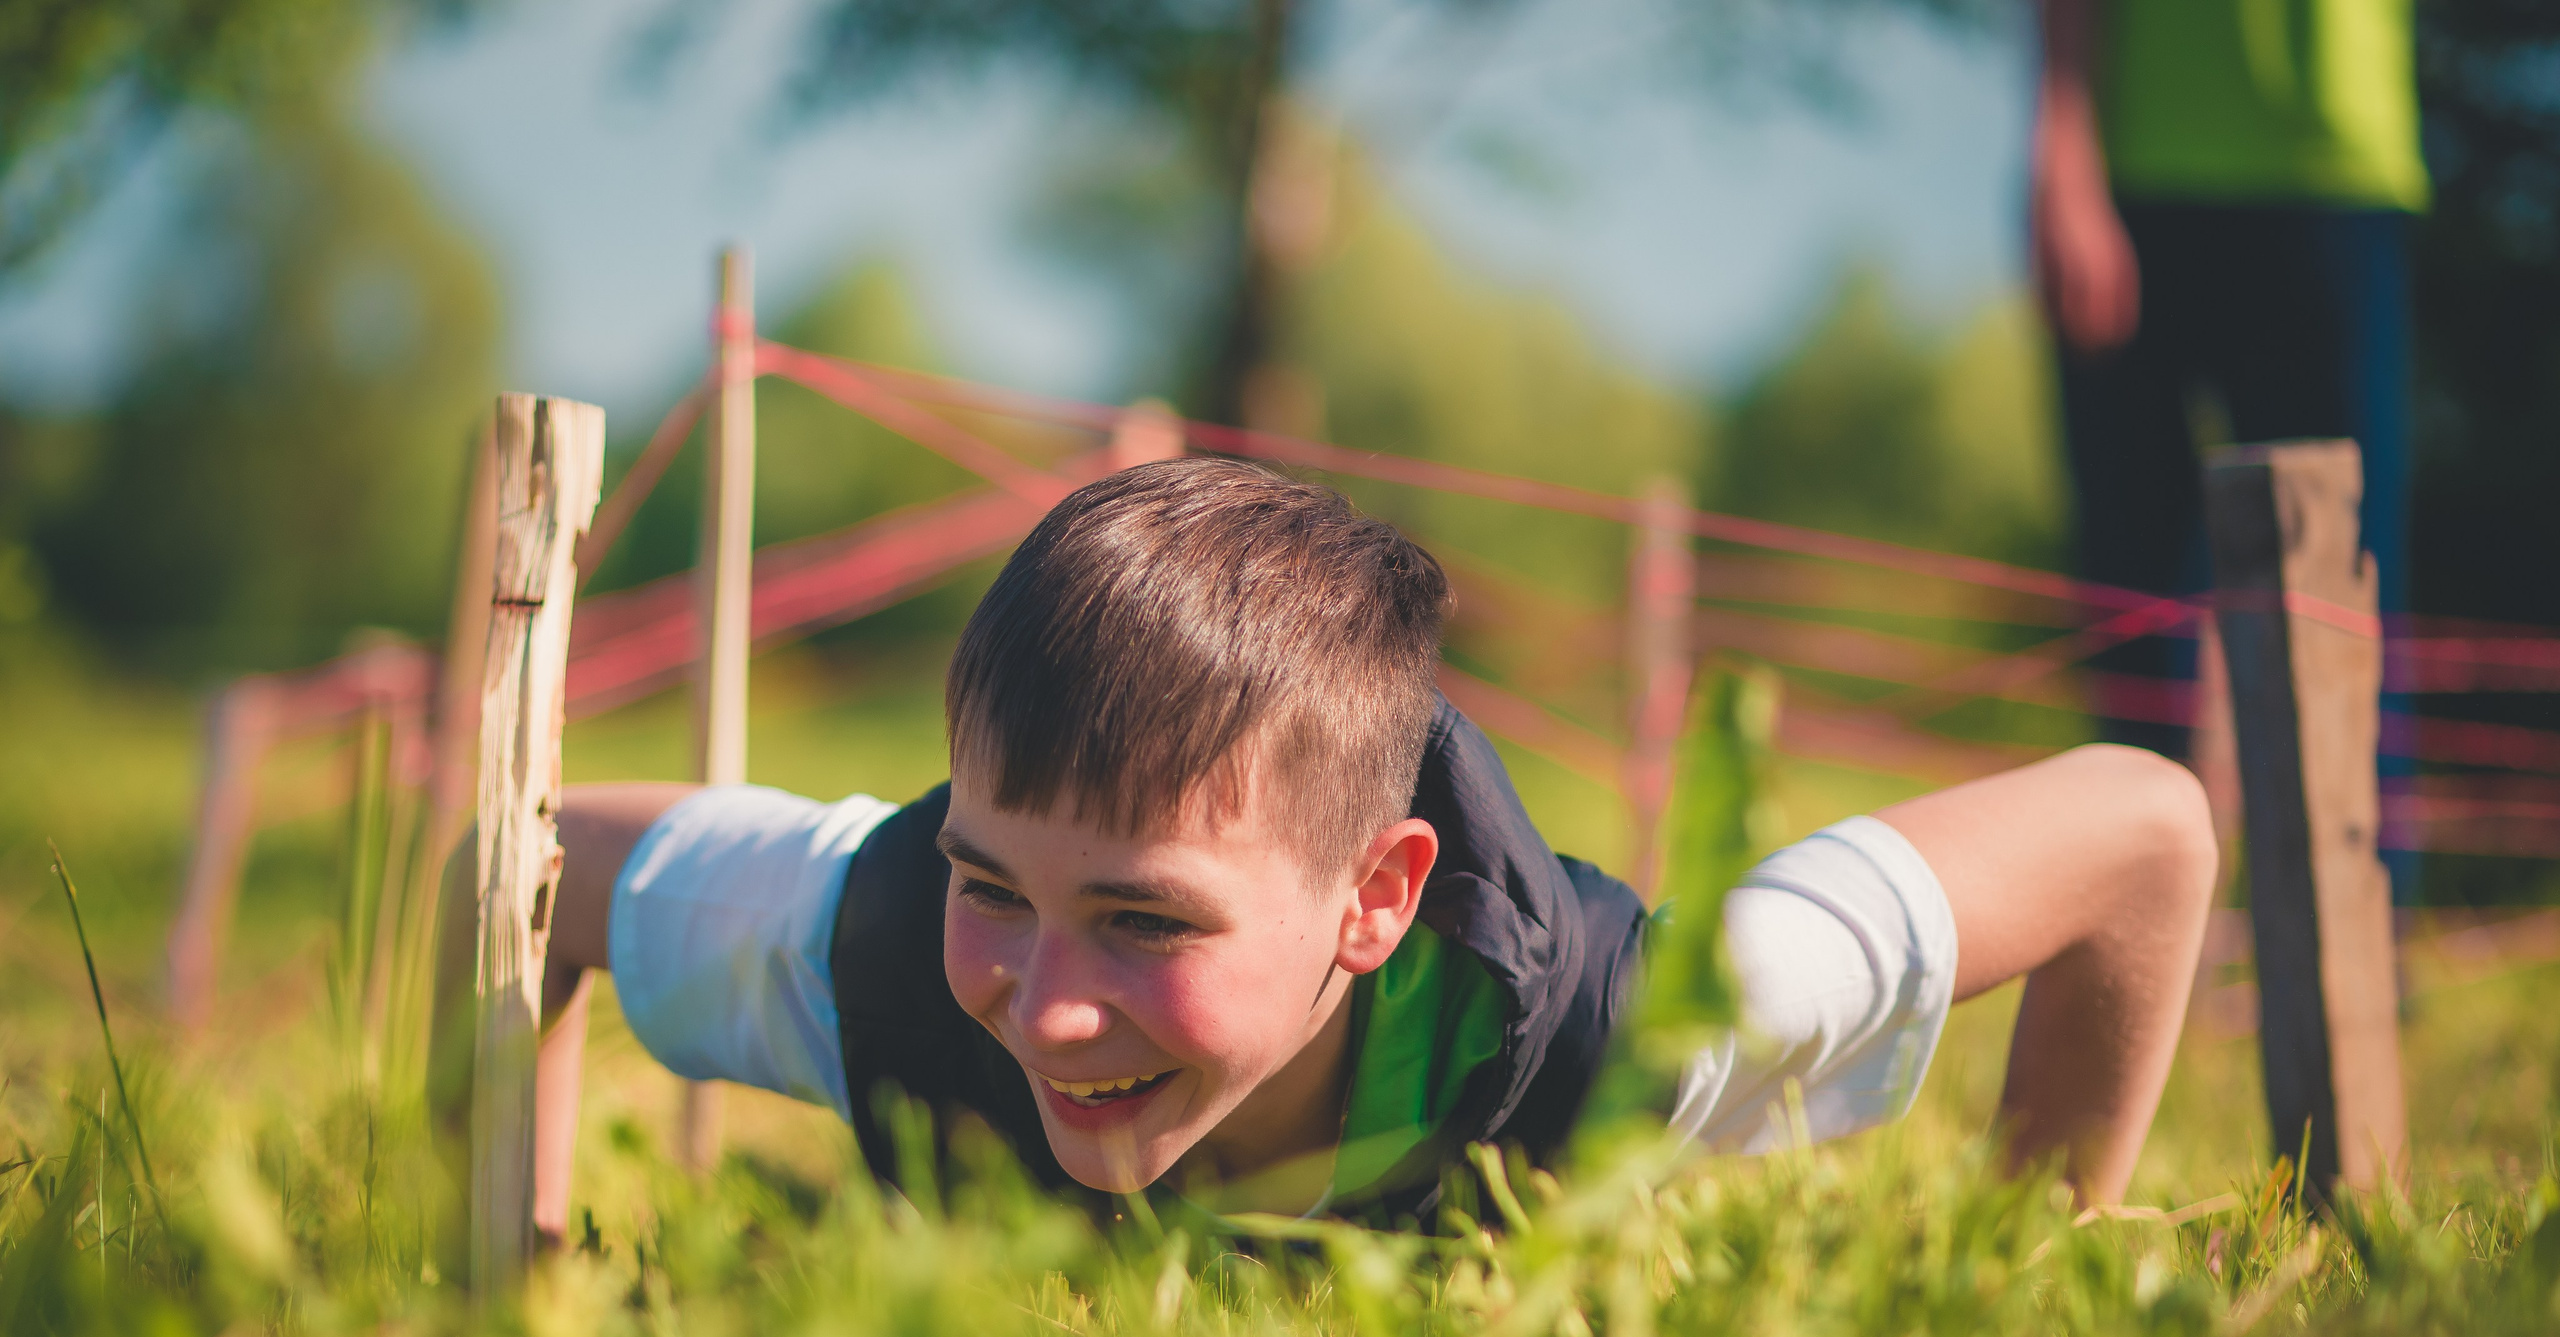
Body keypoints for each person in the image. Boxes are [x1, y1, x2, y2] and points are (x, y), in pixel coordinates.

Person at [442, 459, 2215, 1234]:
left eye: (1144, 922)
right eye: (1000, 883)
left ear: (1375, 902)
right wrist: (507, 1257)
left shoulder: (1653, 1033)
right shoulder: (876, 945)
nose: (1045, 1006)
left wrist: (2033, 1243)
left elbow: (2142, 830)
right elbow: (528, 864)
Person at [2032, 0, 2426, 889]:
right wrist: (2064, 146)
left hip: (2333, 167)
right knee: (2133, 592)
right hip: (2133, 165)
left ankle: (2367, 940)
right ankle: (2133, 923)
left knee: (2342, 587)